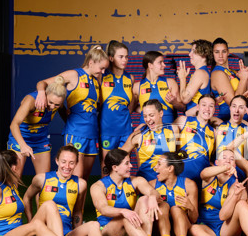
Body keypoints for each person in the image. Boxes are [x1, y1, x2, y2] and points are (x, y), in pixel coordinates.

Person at [22, 145, 121, 236]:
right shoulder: (41, 179)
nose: (67, 166)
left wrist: (78, 232)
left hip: (66, 233)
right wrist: (31, 222)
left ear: (76, 164)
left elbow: (78, 211)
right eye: (63, 162)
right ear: (57, 161)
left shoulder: (81, 184)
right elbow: (26, 198)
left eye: (71, 163)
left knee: (94, 225)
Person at [90, 149, 176, 236]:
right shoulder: (98, 186)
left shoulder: (136, 181)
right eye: (127, 163)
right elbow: (103, 209)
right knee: (124, 217)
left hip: (132, 234)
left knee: (144, 199)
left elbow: (152, 191)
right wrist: (124, 211)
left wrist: (151, 197)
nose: (131, 166)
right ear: (115, 167)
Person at [35, 45, 109, 180]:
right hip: (76, 133)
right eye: (101, 68)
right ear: (91, 63)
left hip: (92, 135)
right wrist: (41, 93)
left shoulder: (96, 80)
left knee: (84, 180)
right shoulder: (74, 75)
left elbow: (96, 106)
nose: (103, 72)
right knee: (76, 177)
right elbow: (43, 83)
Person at [189, 149, 248, 236]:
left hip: (226, 229)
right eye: (224, 157)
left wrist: (235, 195)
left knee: (242, 203)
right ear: (216, 162)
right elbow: (203, 173)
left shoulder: (236, 184)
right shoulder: (209, 177)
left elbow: (223, 216)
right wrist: (225, 168)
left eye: (232, 159)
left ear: (235, 164)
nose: (228, 160)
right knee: (194, 229)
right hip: (207, 228)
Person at [7, 76, 66, 176]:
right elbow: (14, 125)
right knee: (13, 179)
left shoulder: (58, 104)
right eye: (50, 102)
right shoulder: (31, 101)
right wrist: (23, 145)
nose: (52, 107)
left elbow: (68, 119)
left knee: (43, 180)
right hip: (20, 138)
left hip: (41, 140)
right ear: (45, 94)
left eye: (56, 105)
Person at [152, 151, 199, 236]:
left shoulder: (189, 185)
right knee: (163, 206)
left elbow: (194, 219)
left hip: (182, 234)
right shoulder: (151, 185)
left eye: (159, 164)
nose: (155, 168)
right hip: (160, 235)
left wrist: (190, 207)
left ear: (170, 168)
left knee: (176, 209)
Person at [99, 41, 135, 171]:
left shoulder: (130, 78)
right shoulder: (102, 76)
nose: (125, 60)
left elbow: (130, 105)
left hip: (125, 131)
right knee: (107, 167)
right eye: (121, 56)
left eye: (126, 56)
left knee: (124, 166)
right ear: (111, 58)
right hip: (107, 130)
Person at [122, 99, 177, 182]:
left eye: (151, 115)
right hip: (147, 185)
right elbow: (117, 156)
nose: (147, 119)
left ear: (161, 113)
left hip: (168, 184)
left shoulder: (174, 129)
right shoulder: (139, 135)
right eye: (145, 116)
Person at [174, 94, 217, 182]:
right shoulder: (183, 121)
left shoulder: (214, 132)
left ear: (214, 110)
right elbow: (166, 140)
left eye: (211, 106)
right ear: (197, 107)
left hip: (201, 180)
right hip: (180, 177)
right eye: (204, 105)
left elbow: (211, 158)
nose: (207, 109)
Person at [134, 51, 184, 125]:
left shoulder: (170, 83)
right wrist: (145, 110)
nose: (164, 65)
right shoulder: (137, 86)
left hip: (167, 128)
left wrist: (174, 102)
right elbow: (130, 108)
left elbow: (183, 108)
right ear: (150, 65)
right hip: (146, 129)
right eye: (160, 62)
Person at [211, 37, 248, 122]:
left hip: (243, 117)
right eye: (217, 52)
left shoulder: (232, 72)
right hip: (229, 119)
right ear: (212, 54)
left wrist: (247, 76)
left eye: (224, 51)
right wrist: (243, 79)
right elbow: (234, 103)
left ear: (228, 52)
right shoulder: (217, 74)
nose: (220, 55)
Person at [177, 39, 213, 114]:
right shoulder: (203, 72)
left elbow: (184, 99)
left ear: (204, 54)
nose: (190, 54)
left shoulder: (200, 73)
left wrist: (182, 78)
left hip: (195, 119)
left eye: (193, 51)